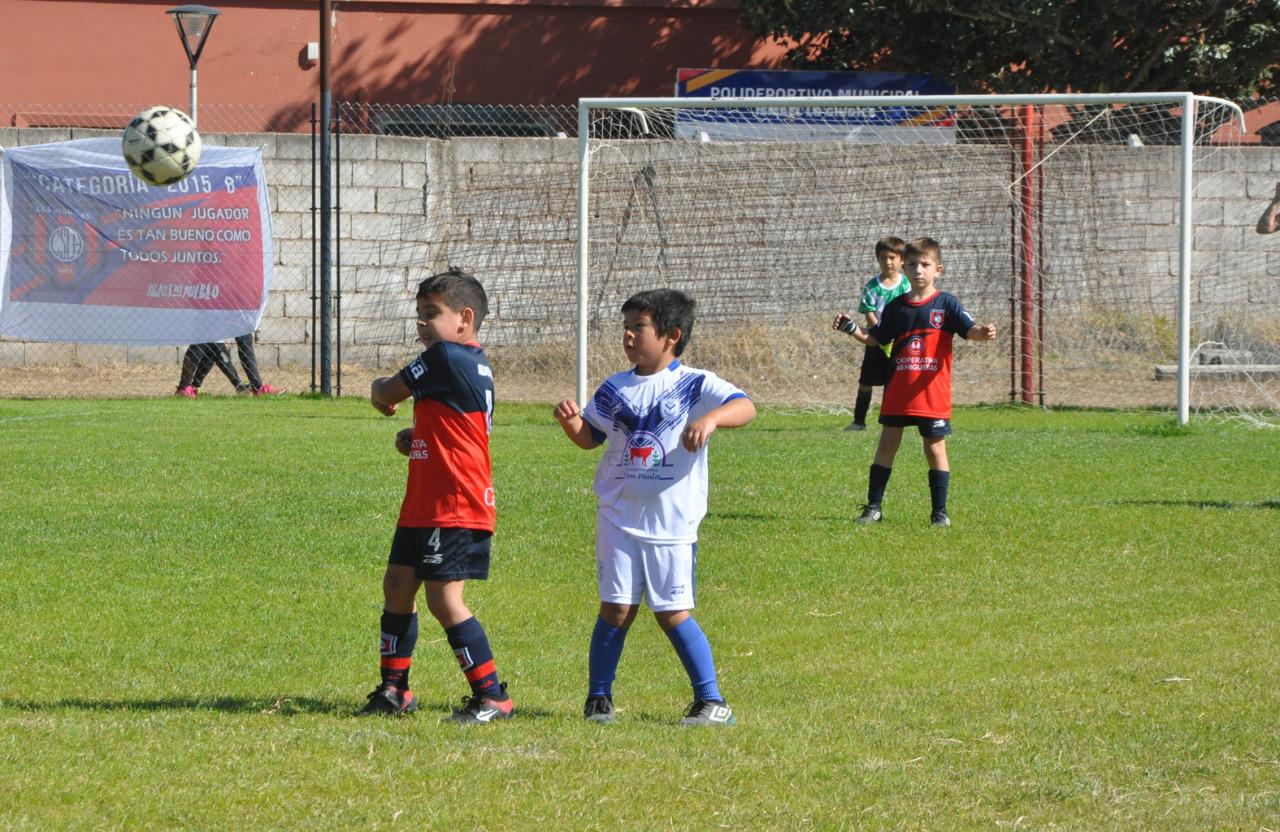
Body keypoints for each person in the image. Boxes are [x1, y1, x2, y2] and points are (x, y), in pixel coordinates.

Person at [554, 288, 756, 726]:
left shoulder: (695, 384)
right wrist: (572, 423)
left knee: (671, 611)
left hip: (671, 523)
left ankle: (711, 700)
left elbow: (746, 406)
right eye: (625, 327)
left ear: (671, 335)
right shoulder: (615, 387)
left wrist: (711, 418)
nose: (627, 335)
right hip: (618, 517)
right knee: (616, 608)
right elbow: (592, 438)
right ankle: (598, 699)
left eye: (638, 327)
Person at [359, 267, 511, 724]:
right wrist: (418, 435)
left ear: (464, 318)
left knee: (445, 599)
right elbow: (458, 425)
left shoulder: (447, 355)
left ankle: (493, 696)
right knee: (397, 587)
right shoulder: (467, 363)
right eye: (419, 315)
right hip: (427, 499)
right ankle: (394, 690)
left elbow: (385, 390)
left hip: (456, 503)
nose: (422, 324)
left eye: (432, 313)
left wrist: (379, 395)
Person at [834, 237, 997, 527]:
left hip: (932, 394)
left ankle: (939, 513)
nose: (918, 270)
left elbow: (968, 329)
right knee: (887, 445)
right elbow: (875, 339)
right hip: (899, 390)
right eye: (912, 264)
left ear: (939, 269)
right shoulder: (897, 307)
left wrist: (982, 333)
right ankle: (873, 508)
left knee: (935, 449)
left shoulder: (946, 303)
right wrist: (851, 328)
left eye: (925, 264)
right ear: (904, 269)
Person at [840, 236, 909, 431]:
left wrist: (897, 336)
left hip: (899, 342)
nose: (888, 262)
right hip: (876, 340)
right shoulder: (872, 286)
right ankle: (859, 422)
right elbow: (869, 312)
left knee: (894, 383)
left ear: (902, 260)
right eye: (883, 258)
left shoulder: (907, 285)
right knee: (866, 382)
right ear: (878, 259)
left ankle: (892, 421)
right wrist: (881, 335)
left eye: (892, 258)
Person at [175, 334, 284, 397]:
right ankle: (185, 388)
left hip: (233, 303)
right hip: (211, 301)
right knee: (207, 339)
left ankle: (257, 387)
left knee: (244, 336)